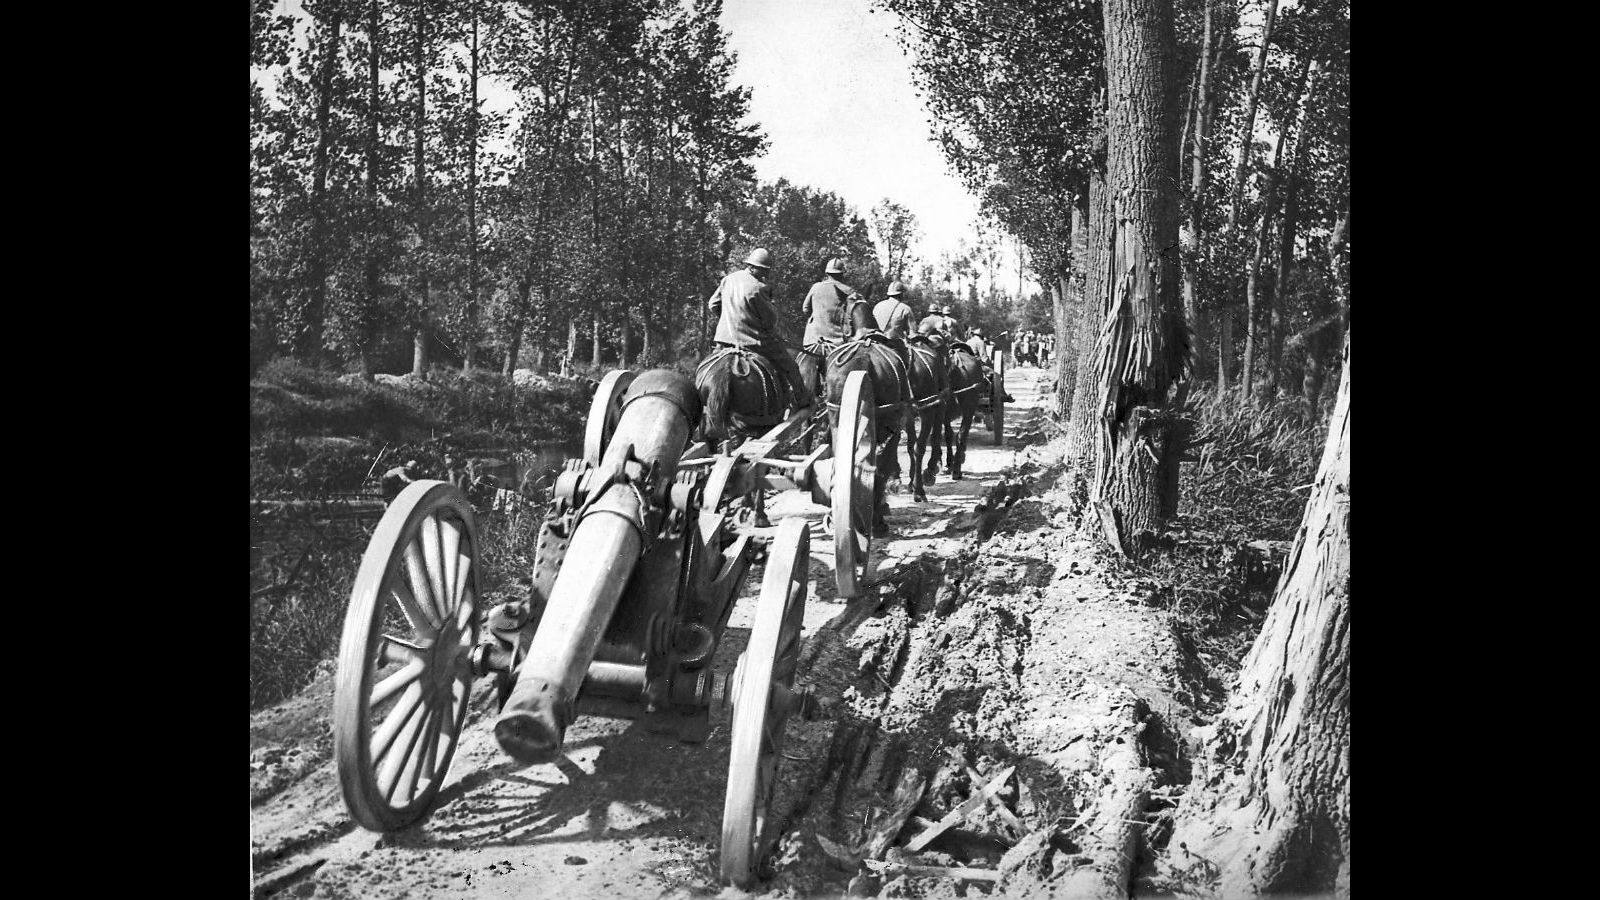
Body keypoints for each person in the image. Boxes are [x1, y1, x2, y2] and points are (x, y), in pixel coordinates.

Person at [708, 248, 814, 410]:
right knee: (790, 365)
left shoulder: (729, 279)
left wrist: (728, 318)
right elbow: (770, 321)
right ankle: (802, 399)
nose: (765, 274)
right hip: (752, 341)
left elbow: (713, 304)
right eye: (763, 270)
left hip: (723, 341)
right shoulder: (759, 288)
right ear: (752, 267)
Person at [797, 257, 870, 399]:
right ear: (842, 274)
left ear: (827, 273)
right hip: (836, 345)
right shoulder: (849, 292)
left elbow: (805, 309)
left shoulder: (815, 287)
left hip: (811, 342)